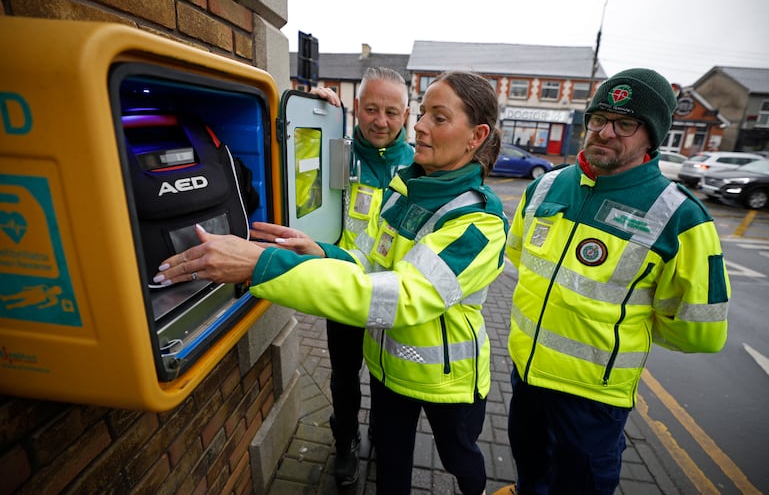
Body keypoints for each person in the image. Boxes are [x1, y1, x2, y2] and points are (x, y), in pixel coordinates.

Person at [153, 71, 508, 495]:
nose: (419, 126)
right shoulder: (404, 187)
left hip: (446, 379)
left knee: (458, 457)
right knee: (391, 466)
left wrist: (265, 264)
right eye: (423, 114)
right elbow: (373, 263)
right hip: (390, 366)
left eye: (438, 117)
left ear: (476, 136)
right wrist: (324, 252)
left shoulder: (479, 222)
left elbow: (400, 296)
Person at [493, 68, 730, 495]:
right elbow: (518, 257)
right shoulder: (546, 187)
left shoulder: (681, 217)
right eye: (599, 119)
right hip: (525, 376)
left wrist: (626, 328)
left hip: (593, 397)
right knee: (529, 469)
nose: (605, 132)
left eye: (624, 124)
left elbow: (701, 330)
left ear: (651, 137)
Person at [310, 67, 415, 487]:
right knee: (344, 373)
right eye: (371, 109)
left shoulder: (420, 161)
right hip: (345, 287)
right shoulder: (336, 148)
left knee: (385, 376)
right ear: (356, 107)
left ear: (406, 115)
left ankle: (380, 434)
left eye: (391, 112)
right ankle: (346, 440)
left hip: (394, 293)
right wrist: (315, 107)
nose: (380, 121)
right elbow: (292, 142)